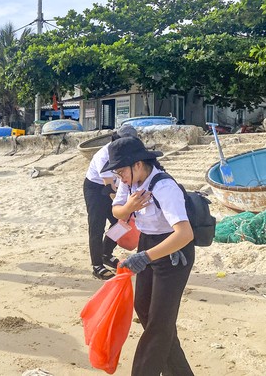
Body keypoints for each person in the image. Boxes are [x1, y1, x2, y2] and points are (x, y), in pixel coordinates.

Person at [102, 136, 194, 376]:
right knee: (144, 308)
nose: (119, 178)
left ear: (138, 164)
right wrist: (130, 207)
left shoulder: (164, 187)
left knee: (158, 324)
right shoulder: (130, 182)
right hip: (148, 242)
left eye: (121, 171)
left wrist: (145, 257)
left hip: (174, 252)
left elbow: (185, 234)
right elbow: (116, 210)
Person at [83, 124, 140, 280]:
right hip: (95, 188)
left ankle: (106, 253)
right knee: (97, 226)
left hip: (114, 186)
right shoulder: (104, 156)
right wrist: (124, 207)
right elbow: (109, 188)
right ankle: (97, 265)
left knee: (120, 224)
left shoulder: (127, 153)